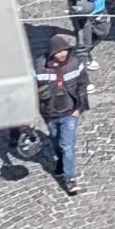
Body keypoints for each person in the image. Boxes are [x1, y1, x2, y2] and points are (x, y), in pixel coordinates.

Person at [35, 33, 91, 196]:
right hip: (50, 113)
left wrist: (79, 108)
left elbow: (82, 84)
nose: (63, 54)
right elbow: (32, 89)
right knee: (55, 141)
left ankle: (70, 179)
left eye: (65, 50)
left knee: (67, 145)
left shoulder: (75, 64)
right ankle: (60, 162)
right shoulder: (39, 66)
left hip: (69, 112)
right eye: (59, 52)